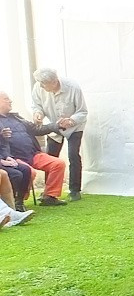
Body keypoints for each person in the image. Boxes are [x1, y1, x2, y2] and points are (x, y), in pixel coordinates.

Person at [0, 91, 66, 206]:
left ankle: (49, 197)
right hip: (14, 157)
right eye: (6, 99)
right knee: (29, 171)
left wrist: (56, 126)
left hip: (33, 154)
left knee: (58, 164)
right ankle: (18, 199)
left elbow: (36, 129)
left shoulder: (17, 118)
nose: (10, 101)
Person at [31, 68, 87, 200]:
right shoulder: (38, 87)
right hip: (53, 126)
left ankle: (74, 190)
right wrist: (38, 113)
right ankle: (49, 192)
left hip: (74, 127)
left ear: (54, 81)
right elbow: (36, 105)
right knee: (50, 157)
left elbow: (83, 111)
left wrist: (71, 120)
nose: (41, 86)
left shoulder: (73, 87)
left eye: (44, 83)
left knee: (73, 155)